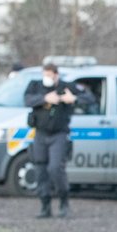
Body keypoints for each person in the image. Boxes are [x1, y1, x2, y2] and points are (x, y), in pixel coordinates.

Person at [23, 63, 94, 218]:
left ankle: (63, 201)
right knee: (40, 169)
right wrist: (44, 98)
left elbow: (89, 98)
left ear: (56, 75)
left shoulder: (66, 87)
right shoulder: (35, 86)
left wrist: (73, 98)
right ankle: (45, 205)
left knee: (56, 168)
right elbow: (27, 100)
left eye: (50, 75)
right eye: (45, 74)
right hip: (40, 134)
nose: (47, 78)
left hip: (59, 134)